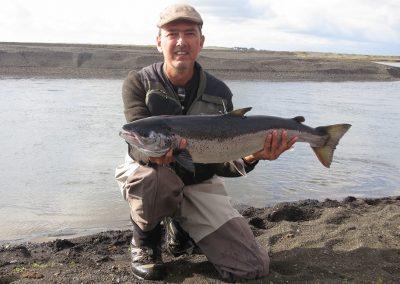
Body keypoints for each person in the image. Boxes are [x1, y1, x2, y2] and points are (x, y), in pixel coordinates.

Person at [115, 3, 297, 281]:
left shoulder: (219, 92)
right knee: (156, 179)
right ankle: (145, 243)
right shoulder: (138, 82)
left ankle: (181, 225)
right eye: (172, 33)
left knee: (253, 268)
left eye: (189, 33)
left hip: (199, 181)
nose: (180, 41)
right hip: (152, 177)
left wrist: (253, 156)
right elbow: (136, 144)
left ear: (201, 42)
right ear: (158, 42)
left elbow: (222, 163)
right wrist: (152, 156)